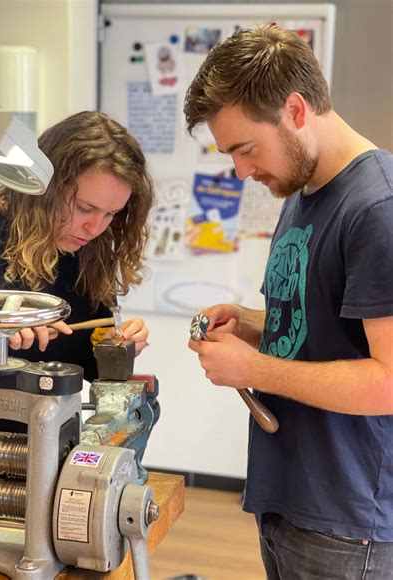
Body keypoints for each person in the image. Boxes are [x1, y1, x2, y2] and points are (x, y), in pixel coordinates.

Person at [184, 24, 393, 579]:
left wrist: (252, 369)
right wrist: (253, 323)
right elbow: (325, 323)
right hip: (290, 499)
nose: (241, 171)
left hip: (348, 526)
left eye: (246, 149)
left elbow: (389, 381)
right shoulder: (302, 189)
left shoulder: (377, 209)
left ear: (296, 110)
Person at [0, 110, 153, 385]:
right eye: (85, 208)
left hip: (48, 422)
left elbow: (82, 367)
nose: (95, 228)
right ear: (47, 189)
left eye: (110, 214)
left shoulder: (88, 252)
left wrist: (114, 347)